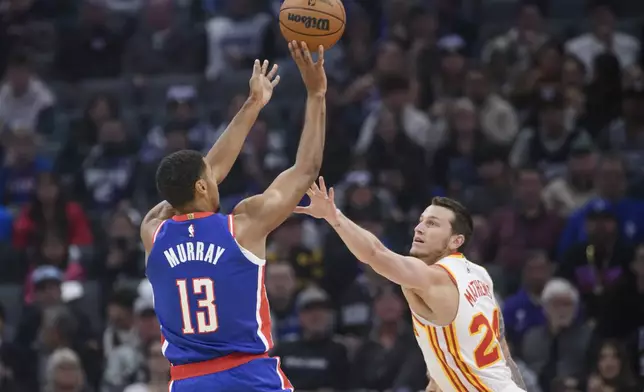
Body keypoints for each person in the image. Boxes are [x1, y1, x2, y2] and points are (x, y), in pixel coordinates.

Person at [139, 41, 327, 392]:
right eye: (210, 178)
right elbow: (306, 170)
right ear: (201, 186)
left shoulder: (153, 231)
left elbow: (207, 172)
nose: (218, 176)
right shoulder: (241, 227)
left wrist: (253, 104)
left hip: (188, 381)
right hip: (249, 376)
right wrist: (316, 93)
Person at [295, 178, 527, 392]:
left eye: (433, 224)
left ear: (456, 241)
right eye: (421, 221)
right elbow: (500, 353)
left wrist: (333, 215)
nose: (419, 228)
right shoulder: (480, 275)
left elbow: (375, 253)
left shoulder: (431, 277)